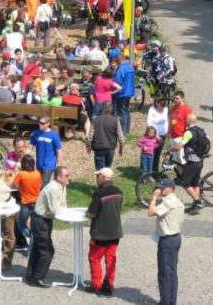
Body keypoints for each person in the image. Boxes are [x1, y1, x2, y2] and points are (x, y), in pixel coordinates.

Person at [25, 165, 69, 288]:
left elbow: (63, 205)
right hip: (41, 221)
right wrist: (55, 211)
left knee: (37, 249)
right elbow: (56, 210)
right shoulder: (54, 189)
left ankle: (30, 276)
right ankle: (37, 278)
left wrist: (57, 210)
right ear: (59, 177)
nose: (68, 178)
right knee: (47, 251)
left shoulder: (60, 186)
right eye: (66, 176)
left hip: (42, 219)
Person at [85, 167, 124, 296]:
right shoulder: (119, 192)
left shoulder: (99, 194)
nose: (97, 178)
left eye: (98, 176)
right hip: (115, 232)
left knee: (94, 258)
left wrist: (87, 212)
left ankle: (96, 285)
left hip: (100, 233)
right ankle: (108, 285)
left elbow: (91, 213)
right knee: (110, 259)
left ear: (103, 177)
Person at [148, 178, 184, 305]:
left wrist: (154, 197)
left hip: (167, 240)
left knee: (164, 273)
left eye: (163, 187)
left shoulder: (168, 202)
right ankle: (171, 301)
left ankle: (165, 302)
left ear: (171, 189)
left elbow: (151, 212)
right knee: (172, 272)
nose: (160, 189)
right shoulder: (179, 202)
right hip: (176, 238)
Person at [170, 114, 210, 215]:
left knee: (185, 183)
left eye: (186, 120)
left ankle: (198, 201)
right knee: (194, 183)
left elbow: (179, 146)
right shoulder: (201, 130)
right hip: (199, 161)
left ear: (188, 121)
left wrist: (169, 150)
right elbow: (210, 141)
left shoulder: (189, 133)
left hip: (192, 162)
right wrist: (205, 153)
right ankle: (195, 205)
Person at [86, 102, 124, 170]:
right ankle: (107, 180)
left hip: (99, 149)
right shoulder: (115, 120)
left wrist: (88, 147)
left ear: (102, 109)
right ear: (111, 109)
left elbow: (90, 137)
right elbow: (120, 136)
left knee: (100, 171)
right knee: (107, 169)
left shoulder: (95, 121)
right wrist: (121, 147)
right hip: (110, 148)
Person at [12, 155, 42, 241]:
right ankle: (35, 239)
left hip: (26, 203)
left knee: (21, 225)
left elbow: (13, 185)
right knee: (34, 225)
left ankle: (34, 239)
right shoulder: (37, 173)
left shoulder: (21, 174)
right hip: (36, 202)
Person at [29, 117, 63, 187]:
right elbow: (30, 147)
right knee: (37, 183)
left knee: (44, 185)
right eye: (39, 123)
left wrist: (58, 165)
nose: (40, 125)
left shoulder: (54, 136)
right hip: (39, 164)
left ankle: (41, 197)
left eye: (42, 123)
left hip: (49, 165)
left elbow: (59, 151)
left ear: (48, 124)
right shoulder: (36, 134)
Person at [112, 50, 135, 134]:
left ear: (119, 60)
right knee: (126, 110)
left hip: (122, 92)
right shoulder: (130, 66)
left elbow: (118, 81)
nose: (116, 63)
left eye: (116, 61)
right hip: (129, 91)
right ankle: (127, 129)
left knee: (121, 112)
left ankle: (123, 131)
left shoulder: (121, 69)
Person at [147, 98, 169, 172]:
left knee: (158, 154)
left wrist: (167, 132)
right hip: (153, 136)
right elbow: (149, 123)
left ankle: (155, 170)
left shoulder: (165, 109)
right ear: (156, 103)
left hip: (163, 135)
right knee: (152, 153)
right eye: (161, 106)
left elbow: (166, 121)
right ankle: (149, 171)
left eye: (163, 106)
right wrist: (155, 135)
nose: (162, 108)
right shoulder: (152, 110)